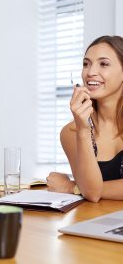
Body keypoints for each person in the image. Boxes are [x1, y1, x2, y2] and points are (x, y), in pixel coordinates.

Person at [46, 36, 123, 202]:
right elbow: (92, 194)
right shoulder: (71, 131)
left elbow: (90, 190)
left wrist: (71, 187)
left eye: (104, 64)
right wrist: (83, 129)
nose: (90, 72)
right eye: (86, 64)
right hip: (95, 222)